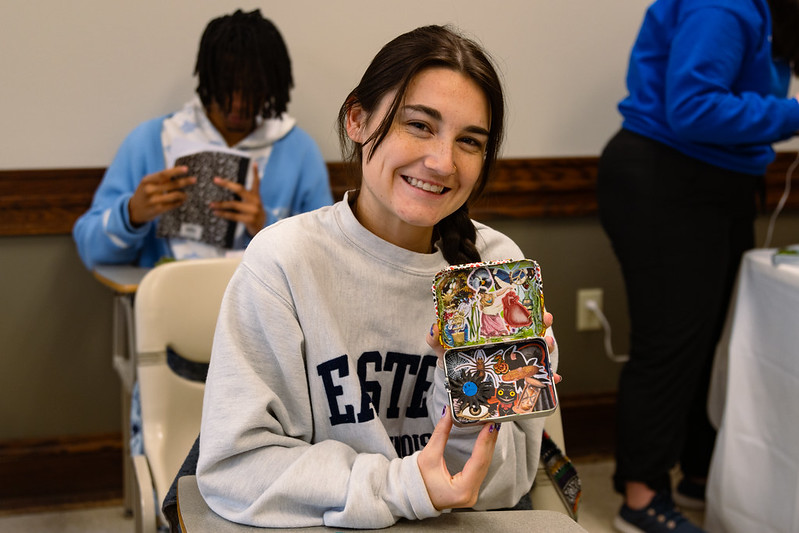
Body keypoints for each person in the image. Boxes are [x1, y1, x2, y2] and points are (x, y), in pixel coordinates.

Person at [196, 25, 561, 529]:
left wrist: (469, 391)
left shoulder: (494, 268)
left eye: (470, 141)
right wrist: (397, 487)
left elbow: (499, 484)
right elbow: (235, 468)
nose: (441, 162)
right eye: (419, 125)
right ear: (358, 120)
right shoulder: (285, 261)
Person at [597, 1, 799, 532]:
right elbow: (694, 107)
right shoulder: (726, 4)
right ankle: (640, 498)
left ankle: (698, 471)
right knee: (669, 344)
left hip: (713, 183)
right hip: (669, 180)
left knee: (707, 338)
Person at [72, 9, 333, 270]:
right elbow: (91, 252)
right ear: (208, 81)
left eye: (254, 91)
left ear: (273, 87)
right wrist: (130, 215)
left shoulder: (299, 150)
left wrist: (264, 226)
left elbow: (324, 256)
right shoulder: (150, 141)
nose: (239, 104)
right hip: (169, 303)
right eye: (227, 89)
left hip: (260, 306)